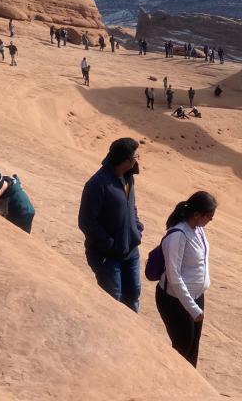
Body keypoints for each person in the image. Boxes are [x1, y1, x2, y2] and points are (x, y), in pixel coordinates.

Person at [78, 138, 144, 312]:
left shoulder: (129, 178)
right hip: (108, 258)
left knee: (133, 296)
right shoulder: (97, 184)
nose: (137, 158)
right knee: (113, 302)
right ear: (125, 160)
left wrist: (137, 229)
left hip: (131, 253)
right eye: (135, 155)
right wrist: (110, 245)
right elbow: (86, 222)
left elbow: (132, 207)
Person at [156, 191, 216, 367]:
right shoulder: (177, 235)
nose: (211, 220)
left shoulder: (198, 230)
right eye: (210, 215)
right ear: (197, 215)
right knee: (182, 347)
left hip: (196, 296)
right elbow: (174, 276)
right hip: (175, 301)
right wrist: (192, 308)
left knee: (193, 346)